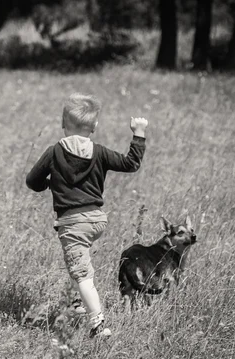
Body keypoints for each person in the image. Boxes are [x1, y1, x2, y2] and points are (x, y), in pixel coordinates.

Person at [26, 93, 147, 338]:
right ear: (95, 126)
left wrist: (47, 184)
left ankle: (97, 323)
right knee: (77, 261)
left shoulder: (54, 152)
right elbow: (130, 163)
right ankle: (76, 303)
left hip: (72, 223)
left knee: (83, 276)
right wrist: (139, 133)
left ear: (63, 124)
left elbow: (31, 181)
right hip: (96, 220)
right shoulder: (100, 151)